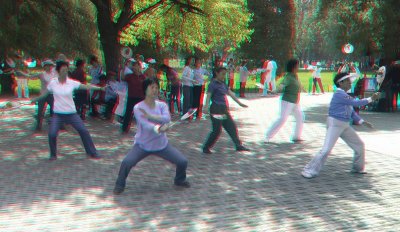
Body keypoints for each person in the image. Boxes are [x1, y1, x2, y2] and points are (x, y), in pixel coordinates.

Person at [113, 77, 190, 195]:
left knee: (182, 161)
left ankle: (179, 180)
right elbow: (145, 124)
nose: (155, 90)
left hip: (161, 145)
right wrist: (158, 128)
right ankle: (119, 185)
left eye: (156, 87)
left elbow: (167, 118)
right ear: (145, 90)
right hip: (143, 145)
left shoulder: (162, 105)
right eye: (152, 87)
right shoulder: (138, 107)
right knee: (126, 162)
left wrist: (152, 117)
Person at [301, 72, 381, 179]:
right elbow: (356, 103)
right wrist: (371, 98)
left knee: (359, 145)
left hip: (344, 125)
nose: (350, 83)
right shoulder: (339, 94)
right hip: (335, 124)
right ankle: (309, 170)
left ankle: (358, 168)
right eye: (348, 81)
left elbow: (351, 112)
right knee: (326, 150)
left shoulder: (344, 95)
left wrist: (362, 122)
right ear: (341, 83)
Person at [31, 60, 105, 161]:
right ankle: (53, 155)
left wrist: (100, 89)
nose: (65, 72)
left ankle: (92, 152)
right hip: (58, 115)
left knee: (83, 131)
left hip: (72, 114)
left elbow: (86, 86)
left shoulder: (71, 83)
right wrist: (36, 99)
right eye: (63, 70)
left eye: (67, 70)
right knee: (52, 133)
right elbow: (45, 93)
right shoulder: (53, 83)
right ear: (58, 71)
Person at [202, 67, 250, 154]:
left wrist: (240, 103)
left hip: (224, 110)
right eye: (222, 74)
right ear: (217, 73)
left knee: (231, 127)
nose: (224, 76)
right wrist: (206, 106)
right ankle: (206, 147)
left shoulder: (223, 84)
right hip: (216, 109)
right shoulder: (212, 84)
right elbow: (208, 96)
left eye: (225, 74)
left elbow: (230, 94)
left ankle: (238, 145)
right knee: (217, 130)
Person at [265, 59, 304, 143]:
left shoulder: (295, 76)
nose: (298, 67)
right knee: (282, 119)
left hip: (295, 102)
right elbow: (282, 85)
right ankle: (267, 136)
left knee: (300, 117)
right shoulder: (288, 76)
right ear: (293, 67)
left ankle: (296, 137)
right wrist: (275, 90)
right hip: (287, 101)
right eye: (297, 65)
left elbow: (299, 86)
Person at [121, 59, 146, 133]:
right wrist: (123, 69)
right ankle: (125, 128)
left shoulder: (143, 77)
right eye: (134, 66)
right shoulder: (130, 76)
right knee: (128, 113)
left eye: (137, 66)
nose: (135, 68)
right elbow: (122, 78)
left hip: (141, 97)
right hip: (131, 96)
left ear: (139, 67)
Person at [33, 59, 57, 131]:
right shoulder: (41, 74)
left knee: (54, 110)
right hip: (43, 94)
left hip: (51, 94)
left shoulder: (54, 75)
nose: (50, 67)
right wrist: (22, 74)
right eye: (48, 66)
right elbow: (31, 76)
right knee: (40, 110)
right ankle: (38, 125)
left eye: (51, 66)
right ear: (44, 67)